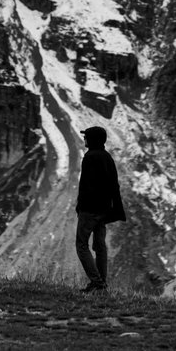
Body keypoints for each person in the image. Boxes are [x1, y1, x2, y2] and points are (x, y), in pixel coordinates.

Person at [75, 124, 126, 292]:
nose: (84, 139)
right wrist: (115, 208)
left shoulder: (90, 157)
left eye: (86, 136)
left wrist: (80, 206)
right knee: (100, 245)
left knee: (82, 244)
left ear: (92, 139)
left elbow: (85, 186)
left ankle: (97, 282)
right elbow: (114, 185)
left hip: (89, 209)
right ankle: (102, 282)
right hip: (103, 210)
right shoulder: (107, 157)